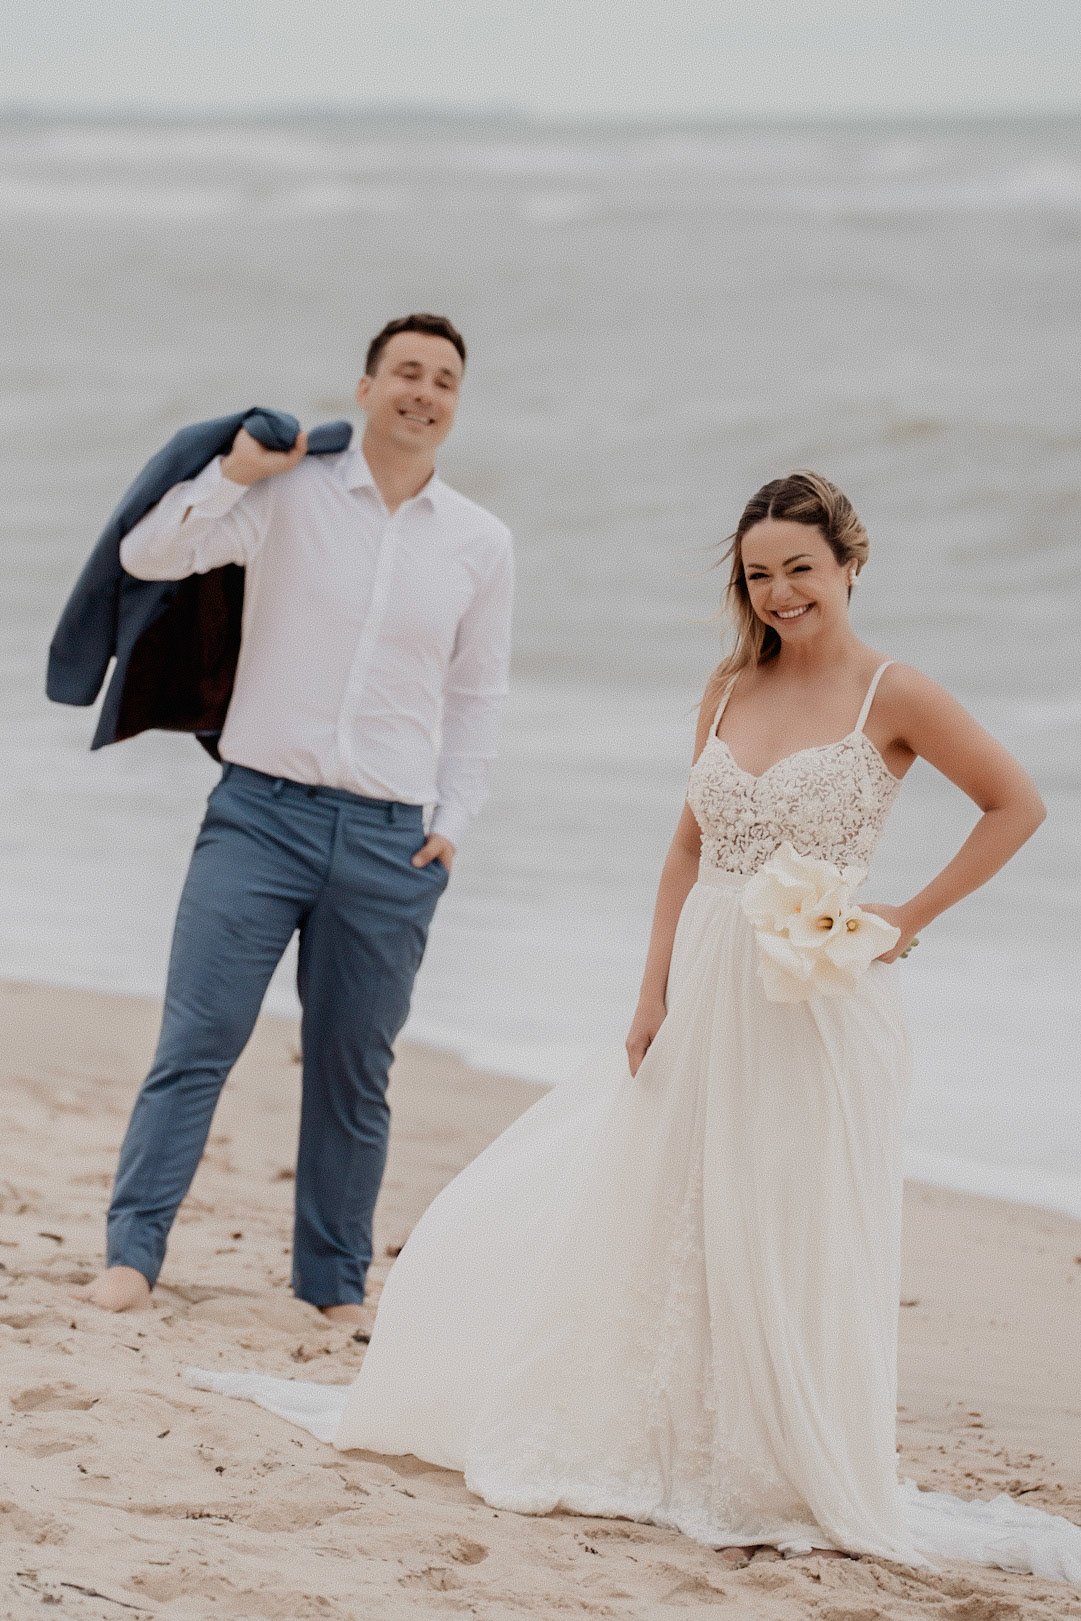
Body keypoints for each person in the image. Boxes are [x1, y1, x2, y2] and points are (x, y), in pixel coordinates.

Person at [193, 472, 1080, 1581]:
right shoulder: (723, 688)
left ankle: (778, 1457)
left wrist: (906, 915)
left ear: (849, 564)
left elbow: (1017, 804)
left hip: (817, 1000)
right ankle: (676, 1439)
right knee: (667, 1206)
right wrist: (650, 990)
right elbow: (685, 847)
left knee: (786, 1222)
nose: (779, 592)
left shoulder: (891, 694)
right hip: (706, 979)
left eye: (800, 568)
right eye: (759, 574)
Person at [80, 313, 514, 1325]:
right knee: (198, 1040)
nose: (423, 390)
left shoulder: (479, 543)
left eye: (443, 379)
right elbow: (149, 555)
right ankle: (131, 1257)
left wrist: (455, 818)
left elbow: (478, 695)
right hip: (258, 818)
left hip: (390, 840)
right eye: (404, 371)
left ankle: (330, 1285)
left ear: (456, 405)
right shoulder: (288, 492)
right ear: (363, 389)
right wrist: (232, 472)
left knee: (354, 1073)